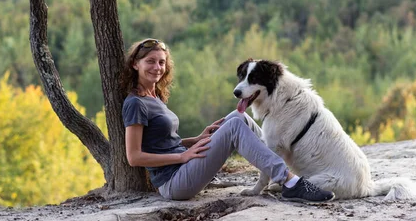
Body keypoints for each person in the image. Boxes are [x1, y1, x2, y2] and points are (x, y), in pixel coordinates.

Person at [121, 38, 335, 203]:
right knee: (234, 126)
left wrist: (194, 140)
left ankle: (275, 171)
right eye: (150, 62)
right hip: (174, 183)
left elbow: (162, 143)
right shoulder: (135, 103)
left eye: (161, 62)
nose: (157, 67)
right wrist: (183, 157)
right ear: (134, 65)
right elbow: (134, 157)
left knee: (237, 116)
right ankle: (290, 181)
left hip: (184, 166)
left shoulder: (154, 97)